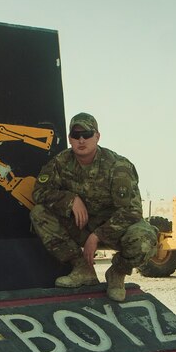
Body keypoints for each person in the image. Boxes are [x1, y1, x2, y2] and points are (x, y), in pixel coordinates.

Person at [30, 112, 158, 301]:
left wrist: (98, 236)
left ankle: (117, 273)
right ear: (70, 139)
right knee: (39, 214)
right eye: (76, 135)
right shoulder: (60, 163)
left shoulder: (118, 165)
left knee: (145, 240)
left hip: (116, 229)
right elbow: (39, 192)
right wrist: (70, 199)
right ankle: (83, 268)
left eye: (87, 134)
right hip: (81, 226)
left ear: (97, 136)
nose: (81, 140)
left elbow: (132, 211)